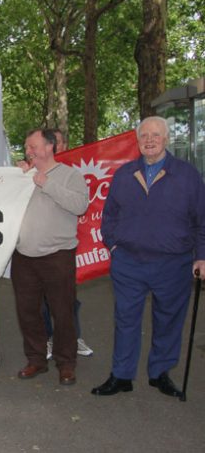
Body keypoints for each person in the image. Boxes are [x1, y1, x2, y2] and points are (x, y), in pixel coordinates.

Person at [91, 116, 205, 398]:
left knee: (168, 320)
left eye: (156, 135)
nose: (150, 140)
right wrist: (114, 246)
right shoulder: (124, 174)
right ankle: (121, 376)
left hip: (173, 264)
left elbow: (201, 221)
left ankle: (160, 373)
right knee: (126, 319)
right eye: (144, 136)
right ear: (138, 140)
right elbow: (110, 217)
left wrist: (202, 256)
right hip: (128, 262)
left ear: (166, 139)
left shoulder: (188, 175)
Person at [12, 129, 89, 386]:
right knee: (27, 312)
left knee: (62, 312)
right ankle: (36, 359)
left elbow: (80, 206)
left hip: (58, 256)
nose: (28, 150)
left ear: (49, 146)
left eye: (32, 145)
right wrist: (17, 178)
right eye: (26, 146)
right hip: (23, 256)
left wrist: (46, 183)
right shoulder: (22, 176)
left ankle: (66, 363)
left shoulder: (70, 175)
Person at [42, 129, 94, 359]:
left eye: (58, 142)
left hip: (74, 241)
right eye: (49, 143)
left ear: (64, 145)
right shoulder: (37, 169)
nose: (54, 146)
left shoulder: (74, 170)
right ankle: (48, 339)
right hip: (44, 244)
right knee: (44, 297)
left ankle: (73, 337)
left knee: (69, 295)